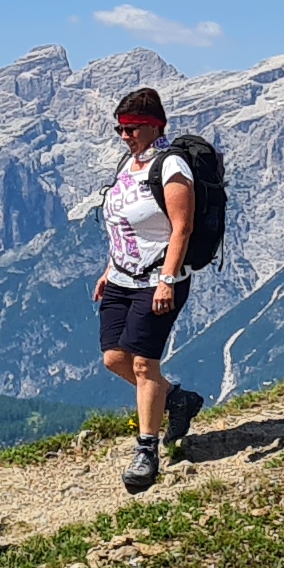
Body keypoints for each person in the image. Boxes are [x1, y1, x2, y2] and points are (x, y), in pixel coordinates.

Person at [91, 87, 207, 494]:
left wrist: (167, 280)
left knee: (143, 365)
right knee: (113, 358)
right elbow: (121, 221)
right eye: (120, 128)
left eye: (131, 128)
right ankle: (177, 399)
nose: (124, 135)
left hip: (158, 280)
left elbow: (182, 227)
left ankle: (147, 450)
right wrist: (109, 268)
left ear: (154, 126)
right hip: (122, 277)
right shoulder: (130, 163)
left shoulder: (171, 166)